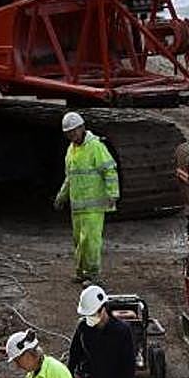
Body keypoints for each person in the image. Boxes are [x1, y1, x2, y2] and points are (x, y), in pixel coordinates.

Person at [54, 112, 119, 284]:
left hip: (94, 206)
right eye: (68, 133)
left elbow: (110, 170)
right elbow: (70, 177)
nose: (71, 135)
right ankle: (81, 272)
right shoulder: (71, 149)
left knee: (91, 242)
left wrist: (113, 193)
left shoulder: (96, 146)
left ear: (82, 128)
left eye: (74, 131)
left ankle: (93, 275)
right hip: (78, 206)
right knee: (79, 242)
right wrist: (62, 196)